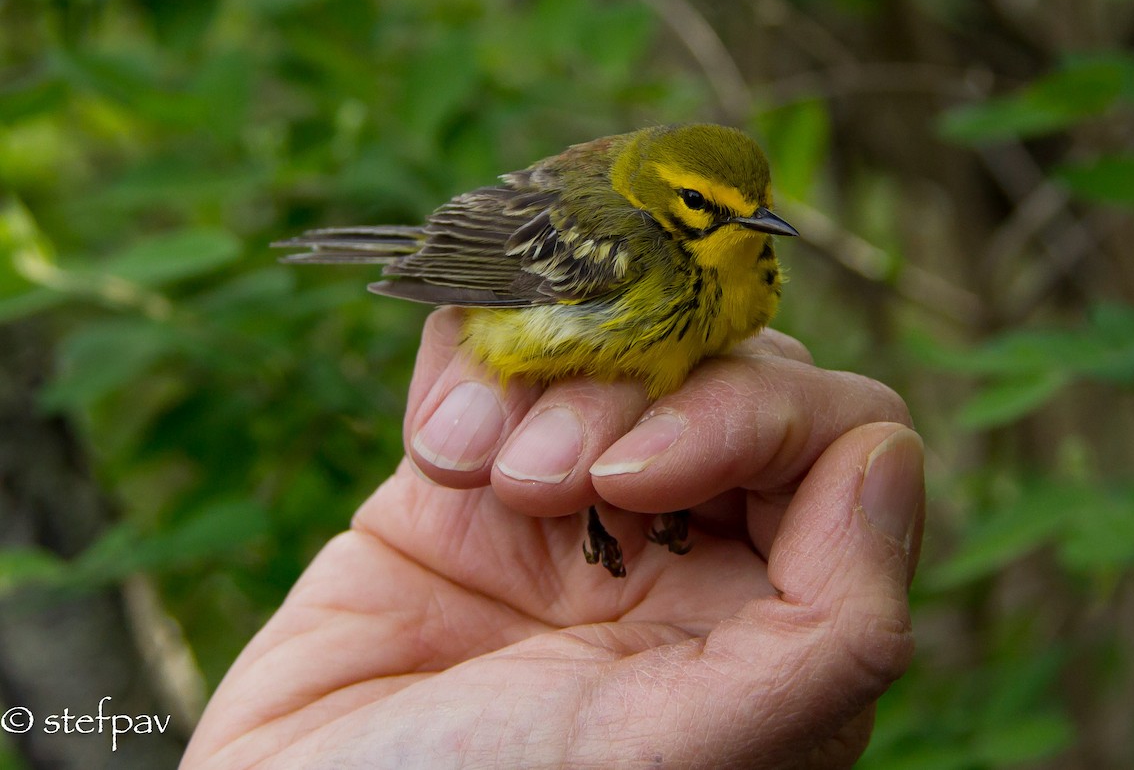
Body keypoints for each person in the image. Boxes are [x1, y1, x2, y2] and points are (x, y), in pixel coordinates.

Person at [180, 309, 924, 769]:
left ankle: (628, 494)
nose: (750, 227)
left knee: (615, 439)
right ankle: (606, 498)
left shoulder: (741, 278)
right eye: (700, 207)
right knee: (567, 437)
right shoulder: (642, 251)